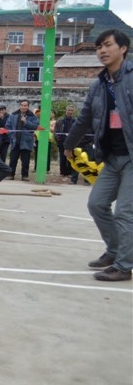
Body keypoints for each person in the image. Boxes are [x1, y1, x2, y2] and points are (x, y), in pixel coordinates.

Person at [64, 29, 133, 282]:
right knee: (97, 204)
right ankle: (114, 251)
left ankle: (124, 266)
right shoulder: (99, 85)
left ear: (123, 48)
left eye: (107, 45)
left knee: (125, 212)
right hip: (112, 157)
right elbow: (83, 119)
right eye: (98, 47)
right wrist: (69, 144)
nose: (102, 51)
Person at [7, 100, 39, 181]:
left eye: (25, 105)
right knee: (13, 160)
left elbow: (35, 126)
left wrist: (26, 122)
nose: (23, 107)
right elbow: (8, 126)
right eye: (22, 105)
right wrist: (11, 136)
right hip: (15, 141)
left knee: (25, 161)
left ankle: (24, 176)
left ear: (28, 106)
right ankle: (11, 174)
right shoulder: (13, 115)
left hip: (26, 141)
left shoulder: (32, 116)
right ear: (19, 106)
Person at [55, 105, 78, 179]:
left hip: (72, 143)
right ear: (66, 111)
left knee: (71, 158)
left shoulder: (75, 122)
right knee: (62, 158)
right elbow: (56, 132)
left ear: (73, 112)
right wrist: (58, 139)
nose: (70, 112)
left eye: (71, 110)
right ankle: (62, 172)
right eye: (69, 110)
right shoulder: (60, 121)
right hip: (62, 142)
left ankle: (70, 172)